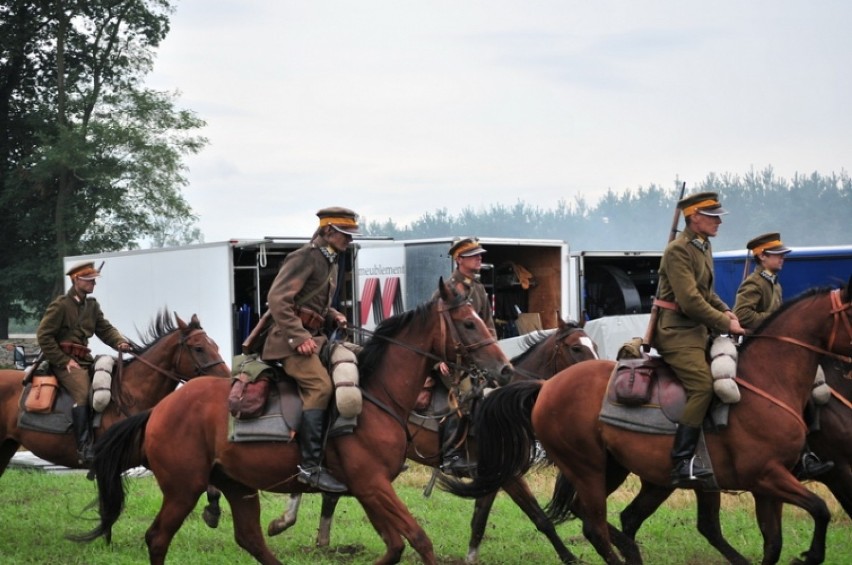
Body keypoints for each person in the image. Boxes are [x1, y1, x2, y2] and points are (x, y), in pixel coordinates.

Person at [261, 206, 359, 494]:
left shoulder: (329, 259)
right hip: (288, 343)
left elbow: (310, 300)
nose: (349, 240)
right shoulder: (304, 256)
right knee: (321, 387)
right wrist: (297, 336)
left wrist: (333, 315)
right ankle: (309, 468)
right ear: (328, 231)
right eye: (345, 234)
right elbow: (278, 299)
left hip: (315, 338)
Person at [651, 192, 745, 487]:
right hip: (676, 332)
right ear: (694, 217)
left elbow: (707, 293)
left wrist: (727, 312)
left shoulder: (702, 247)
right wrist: (724, 323)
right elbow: (690, 301)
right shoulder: (678, 250)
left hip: (697, 330)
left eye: (719, 216)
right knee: (703, 386)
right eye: (713, 216)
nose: (719, 222)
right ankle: (681, 461)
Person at [733, 232, 833, 479]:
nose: (782, 259)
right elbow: (743, 315)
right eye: (777, 255)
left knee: (812, 390)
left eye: (782, 255)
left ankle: (806, 453)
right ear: (762, 256)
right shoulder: (754, 283)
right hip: (761, 353)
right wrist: (780, 323)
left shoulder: (775, 283)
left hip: (779, 352)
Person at [36, 261, 132, 465]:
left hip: (84, 359)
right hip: (63, 362)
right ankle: (84, 447)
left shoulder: (92, 306)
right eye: (89, 280)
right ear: (76, 280)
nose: (93, 284)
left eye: (94, 281)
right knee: (82, 392)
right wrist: (63, 360)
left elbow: (105, 329)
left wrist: (120, 342)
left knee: (108, 383)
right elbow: (44, 336)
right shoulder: (61, 305)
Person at [434, 237, 497, 473]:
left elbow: (488, 328)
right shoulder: (447, 290)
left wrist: (494, 358)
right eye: (474, 255)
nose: (480, 258)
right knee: (465, 395)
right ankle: (451, 457)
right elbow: (433, 328)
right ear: (459, 259)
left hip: (477, 362)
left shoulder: (479, 289)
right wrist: (438, 359)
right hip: (451, 363)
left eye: (480, 254)